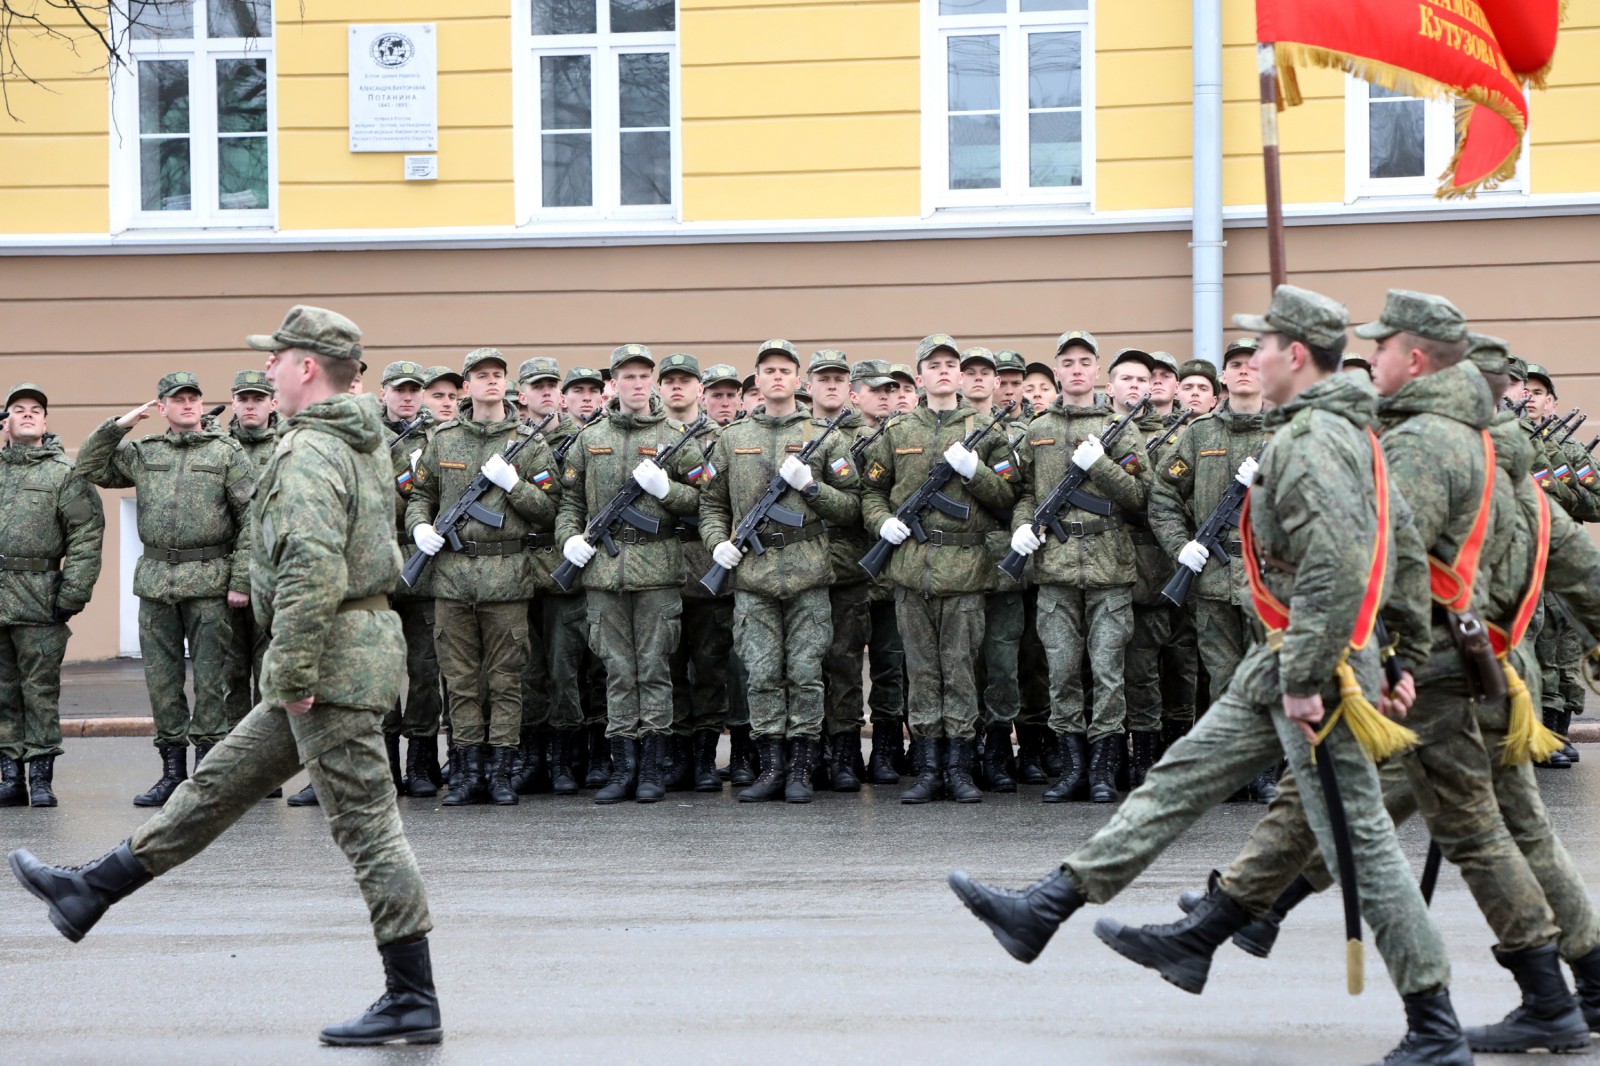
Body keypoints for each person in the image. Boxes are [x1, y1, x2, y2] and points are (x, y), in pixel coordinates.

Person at [949, 284, 1473, 1066]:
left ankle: (1434, 1021)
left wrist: (1330, 668)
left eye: (1263, 346)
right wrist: (1393, 648)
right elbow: (1395, 547)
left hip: (1315, 663)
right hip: (1293, 654)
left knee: (1359, 840)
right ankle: (1049, 905)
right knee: (1178, 777)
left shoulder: (1317, 439)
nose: (1252, 358)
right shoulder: (1337, 432)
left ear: (1296, 356)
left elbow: (1338, 562)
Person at [8, 305, 442, 1047]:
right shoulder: (355, 437)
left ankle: (412, 996)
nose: (265, 370)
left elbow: (310, 563)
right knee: (216, 786)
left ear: (306, 366)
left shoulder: (311, 448)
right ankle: (92, 890)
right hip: (337, 651)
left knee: (368, 828)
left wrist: (295, 666)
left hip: (327, 660)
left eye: (276, 359)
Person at [76, 371, 256, 807]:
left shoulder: (226, 452)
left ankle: (209, 778)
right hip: (157, 580)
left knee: (212, 680)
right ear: (162, 408)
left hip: (210, 579)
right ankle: (172, 773)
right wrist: (120, 425)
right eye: (178, 399)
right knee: (162, 681)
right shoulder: (143, 452)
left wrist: (241, 579)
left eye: (194, 398)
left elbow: (253, 517)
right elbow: (89, 466)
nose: (189, 404)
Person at [701, 339, 861, 803]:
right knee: (764, 673)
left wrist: (812, 489)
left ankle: (802, 770)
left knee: (807, 672)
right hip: (752, 577)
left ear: (799, 381)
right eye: (768, 370)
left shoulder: (825, 436)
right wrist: (718, 545)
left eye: (785, 370)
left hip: (808, 573)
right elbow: (712, 504)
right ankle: (771, 767)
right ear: (757, 378)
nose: (776, 377)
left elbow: (852, 507)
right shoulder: (732, 439)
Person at [859, 335, 1013, 804]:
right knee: (922, 671)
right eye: (934, 365)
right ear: (920, 376)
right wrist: (882, 522)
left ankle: (960, 767)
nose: (944, 371)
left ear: (963, 376)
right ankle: (928, 766)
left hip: (965, 569)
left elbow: (1008, 499)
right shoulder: (897, 432)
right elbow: (870, 493)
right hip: (910, 571)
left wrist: (974, 472)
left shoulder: (988, 430)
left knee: (961, 669)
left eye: (952, 364)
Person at [407, 348, 561, 807]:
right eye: (481, 376)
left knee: (505, 680)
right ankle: (467, 770)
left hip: (506, 579)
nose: (490, 382)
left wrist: (515, 485)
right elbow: (421, 495)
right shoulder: (443, 440)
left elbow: (550, 512)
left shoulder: (529, 443)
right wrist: (420, 527)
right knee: (460, 680)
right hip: (451, 579)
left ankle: (500, 772)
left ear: (507, 385)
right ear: (466, 388)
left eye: (497, 375)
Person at [557, 344, 702, 804]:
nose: (636, 384)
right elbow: (570, 504)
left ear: (653, 383)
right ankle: (625, 767)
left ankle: (654, 769)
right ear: (612, 384)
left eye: (644, 377)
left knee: (655, 671)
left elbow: (705, 502)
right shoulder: (588, 438)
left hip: (657, 571)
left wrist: (668, 490)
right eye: (628, 377)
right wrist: (570, 540)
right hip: (604, 574)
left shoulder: (677, 435)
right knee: (617, 672)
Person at [1009, 331, 1148, 803]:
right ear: (1057, 370)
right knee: (1063, 671)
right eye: (1066, 362)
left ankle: (1105, 768)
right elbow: (1024, 491)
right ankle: (1072, 767)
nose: (1075, 369)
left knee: (1108, 672)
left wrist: (1102, 465)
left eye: (1084, 361)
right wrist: (1022, 526)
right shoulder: (1037, 428)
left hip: (1109, 568)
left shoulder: (1121, 428)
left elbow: (1139, 497)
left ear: (1097, 371)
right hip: (1055, 570)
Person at [0, 383, 104, 808]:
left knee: (39, 690)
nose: (27, 414)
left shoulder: (65, 473)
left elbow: (86, 535)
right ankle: (10, 775)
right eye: (18, 409)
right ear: (4, 420)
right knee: (3, 692)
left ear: (46, 421)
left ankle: (41, 776)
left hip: (41, 598)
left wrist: (73, 592)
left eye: (35, 410)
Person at [668, 358, 735, 791]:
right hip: (663, 566)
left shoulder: (723, 440)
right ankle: (676, 757)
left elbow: (717, 501)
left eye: (686, 381)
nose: (678, 388)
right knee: (670, 668)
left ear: (699, 389)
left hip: (708, 565)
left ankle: (706, 757)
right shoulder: (648, 436)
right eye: (669, 381)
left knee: (710, 667)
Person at [380, 361, 444, 800]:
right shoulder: (365, 440)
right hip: (379, 565)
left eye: (414, 390)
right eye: (399, 390)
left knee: (425, 669)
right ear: (383, 393)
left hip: (424, 564)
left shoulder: (437, 439)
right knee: (380, 672)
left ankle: (421, 760)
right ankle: (383, 765)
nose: (407, 397)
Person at [962, 345, 1024, 791]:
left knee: (1002, 661)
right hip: (957, 562)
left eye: (989, 373)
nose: (980, 379)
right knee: (963, 660)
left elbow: (1014, 494)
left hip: (1003, 561)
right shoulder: (943, 428)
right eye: (972, 373)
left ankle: (999, 748)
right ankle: (964, 748)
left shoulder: (1017, 431)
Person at [848, 359, 908, 783]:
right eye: (875, 390)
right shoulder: (837, 439)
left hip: (890, 574)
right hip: (850, 571)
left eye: (889, 390)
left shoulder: (904, 437)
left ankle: (887, 749)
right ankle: (845, 748)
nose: (885, 396)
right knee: (844, 662)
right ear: (855, 395)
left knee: (891, 664)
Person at [223, 370, 278, 740]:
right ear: (234, 403)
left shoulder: (287, 444)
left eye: (258, 399)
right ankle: (233, 753)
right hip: (222, 576)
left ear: (273, 403)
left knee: (269, 672)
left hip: (273, 576)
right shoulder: (217, 445)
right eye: (244, 399)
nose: (250, 405)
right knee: (229, 673)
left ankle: (262, 758)